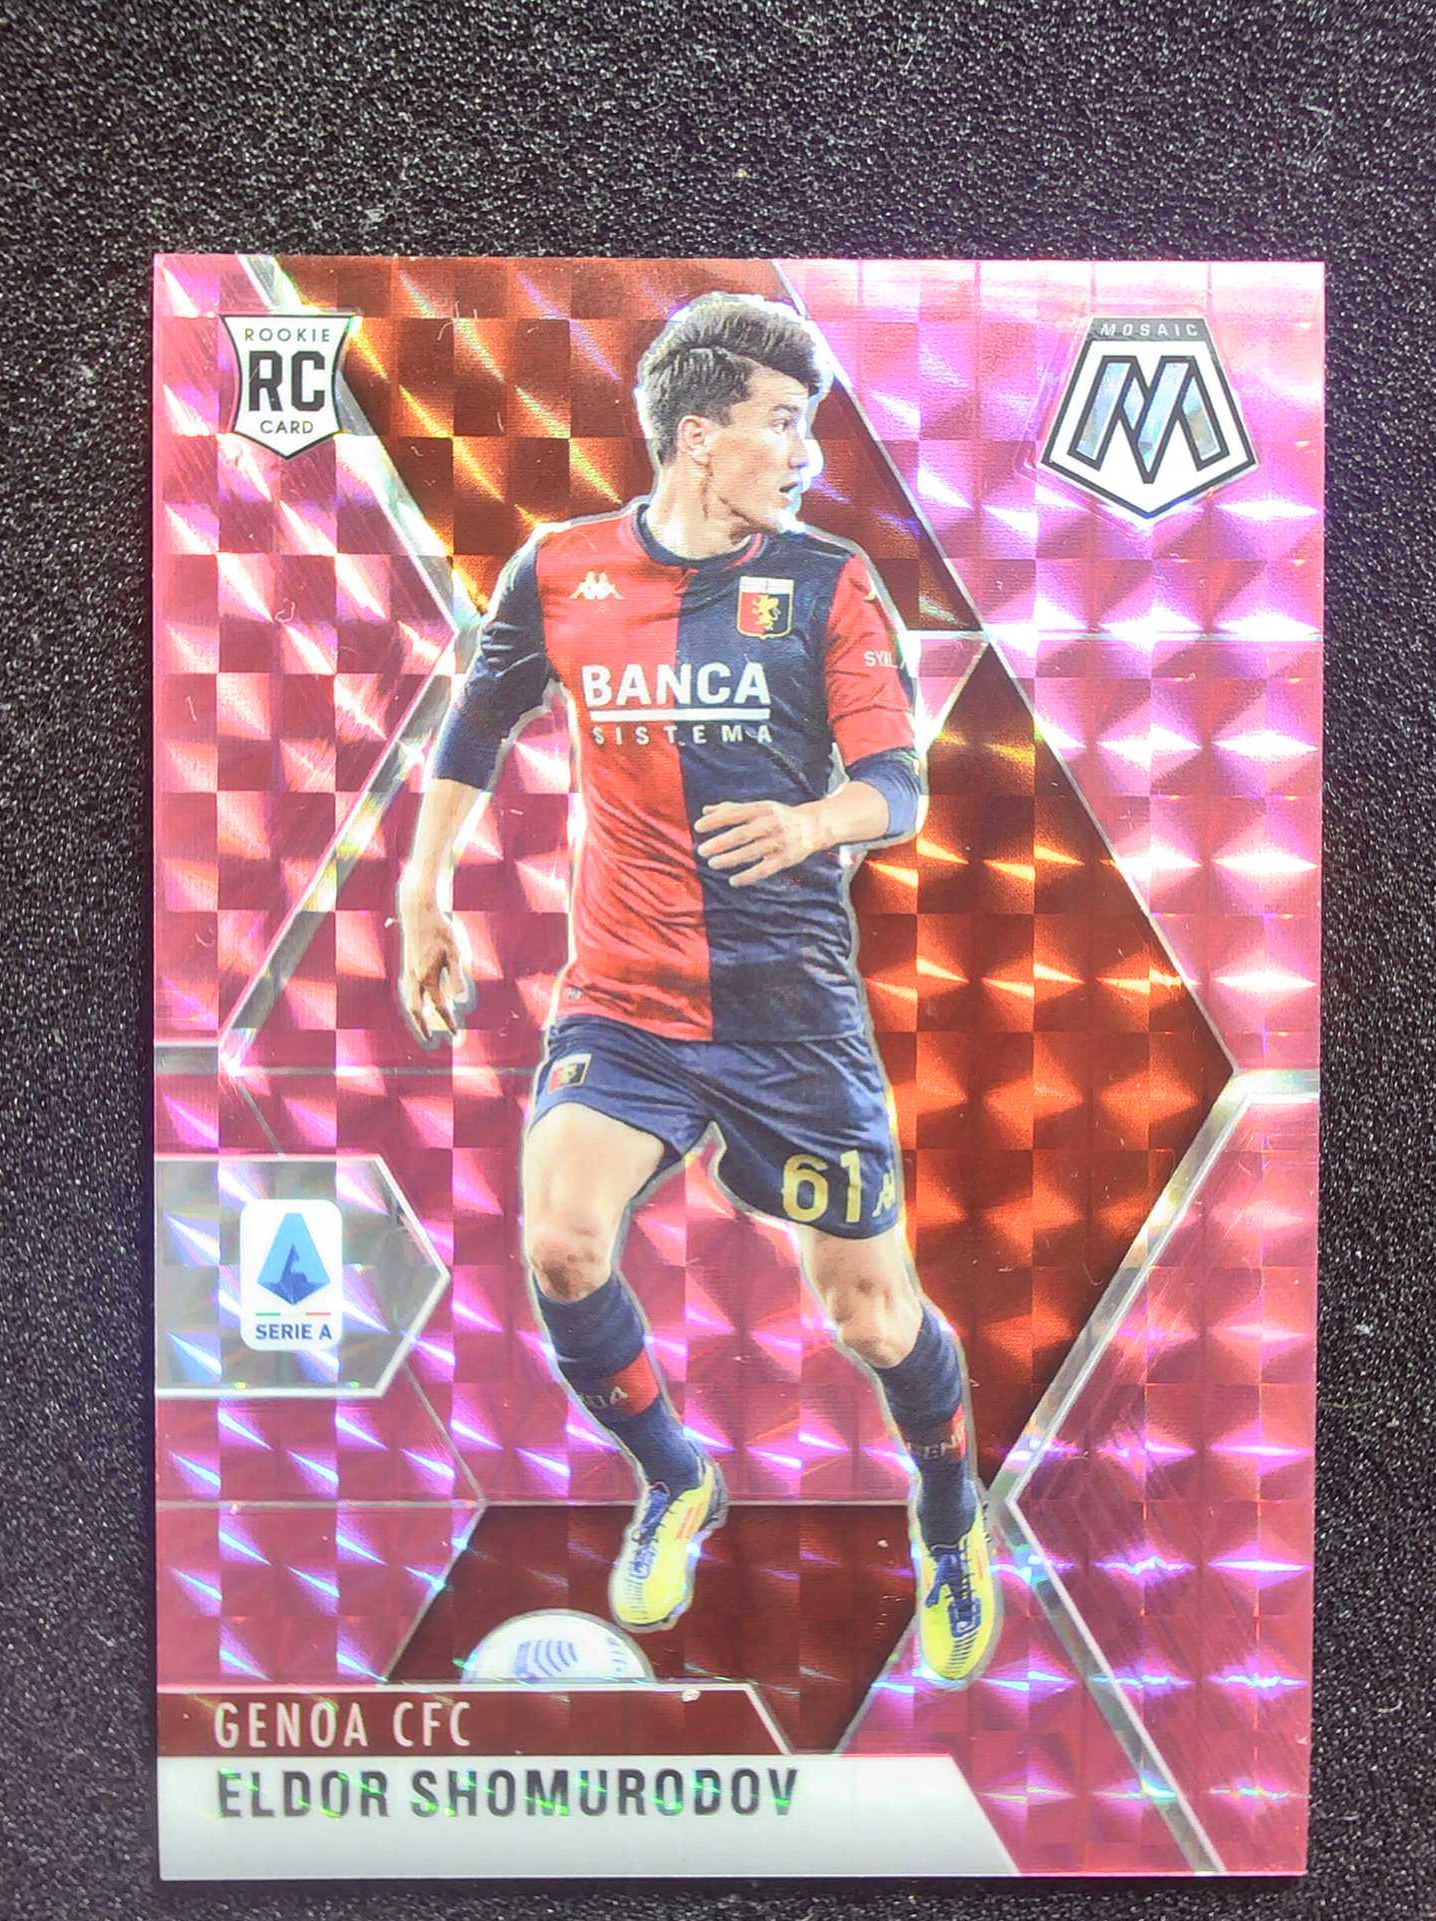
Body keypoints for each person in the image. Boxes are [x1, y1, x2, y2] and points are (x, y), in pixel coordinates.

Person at [397, 293, 998, 1686]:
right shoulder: (561, 572)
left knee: (871, 1320)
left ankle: (951, 1521)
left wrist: (813, 821)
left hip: (791, 1019)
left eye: (810, 426)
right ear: (695, 436)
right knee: (562, 1244)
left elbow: (897, 785)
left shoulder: (828, 583)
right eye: (781, 424)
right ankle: (675, 1477)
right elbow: (476, 725)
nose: (805, 453)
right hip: (627, 1001)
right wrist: (423, 889)